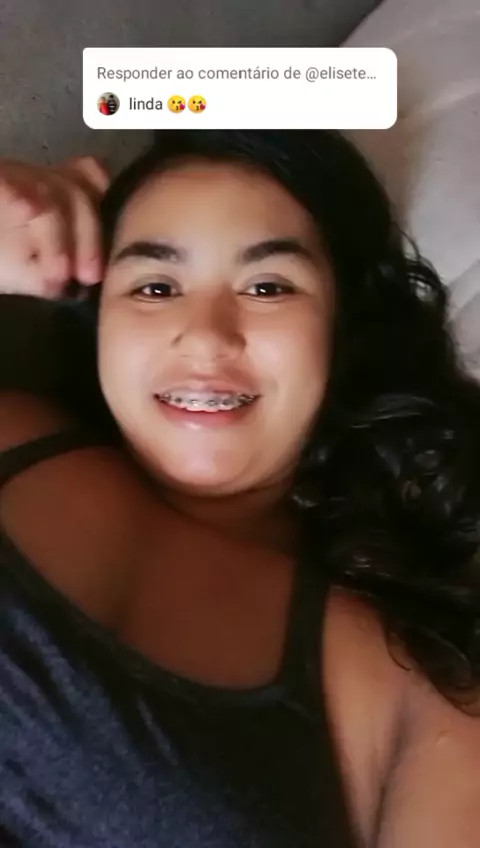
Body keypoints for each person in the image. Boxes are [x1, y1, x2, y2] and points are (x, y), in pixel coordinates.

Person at [0, 130, 480, 848]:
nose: (207, 338)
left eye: (268, 287)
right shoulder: (11, 433)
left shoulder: (427, 696)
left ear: (343, 329)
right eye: (156, 287)